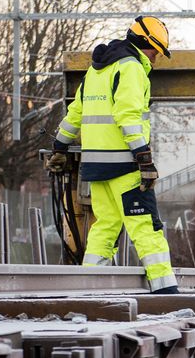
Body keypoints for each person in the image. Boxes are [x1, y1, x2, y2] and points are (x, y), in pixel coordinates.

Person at [47, 16, 179, 294]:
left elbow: (75, 114)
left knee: (105, 226)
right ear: (145, 43)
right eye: (156, 51)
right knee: (146, 226)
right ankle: (166, 292)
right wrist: (144, 158)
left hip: (96, 166)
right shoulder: (131, 68)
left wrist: (59, 148)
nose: (156, 59)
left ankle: (88, 288)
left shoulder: (96, 71)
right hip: (124, 165)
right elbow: (127, 115)